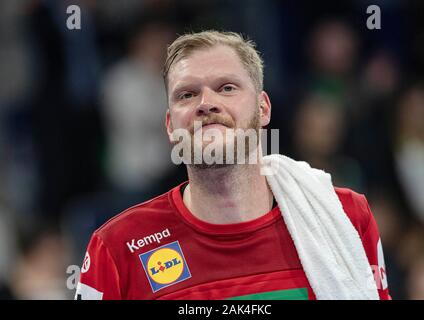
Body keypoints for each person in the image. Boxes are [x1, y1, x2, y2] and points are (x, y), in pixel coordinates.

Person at [75, 30, 391, 300]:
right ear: (171, 126)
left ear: (263, 109)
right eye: (187, 94)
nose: (206, 103)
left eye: (227, 87)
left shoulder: (345, 215)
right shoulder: (117, 249)